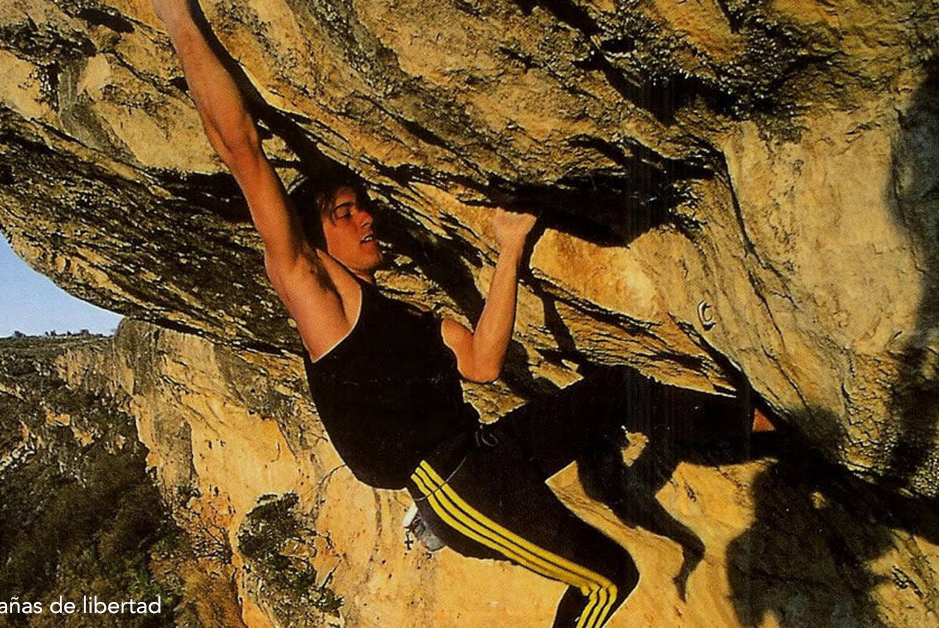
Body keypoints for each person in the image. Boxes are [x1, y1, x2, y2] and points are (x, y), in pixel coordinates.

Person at [149, 2, 767, 625]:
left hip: (487, 449)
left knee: (614, 392)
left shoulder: (414, 320)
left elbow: (483, 362)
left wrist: (510, 248)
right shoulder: (320, 302)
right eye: (346, 214)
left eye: (364, 207)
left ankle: (757, 423)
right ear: (313, 242)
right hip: (456, 490)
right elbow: (242, 150)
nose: (367, 218)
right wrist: (177, 18)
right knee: (609, 579)